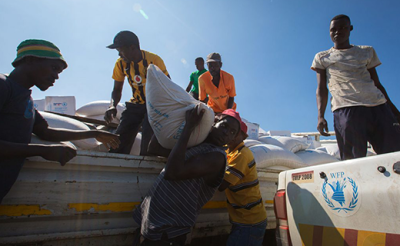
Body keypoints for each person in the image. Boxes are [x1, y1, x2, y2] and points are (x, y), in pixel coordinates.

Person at [0, 39, 120, 204]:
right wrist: (42, 151)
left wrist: (94, 133)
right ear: (29, 60)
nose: (56, 76)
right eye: (54, 68)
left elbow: (46, 132)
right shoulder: (3, 85)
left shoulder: (26, 99)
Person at [133, 107, 242, 246]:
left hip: (169, 232)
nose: (226, 133)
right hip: (150, 221)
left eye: (232, 132)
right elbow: (154, 148)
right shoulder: (195, 142)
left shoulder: (217, 157)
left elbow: (173, 173)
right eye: (224, 126)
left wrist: (188, 127)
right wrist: (173, 119)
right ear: (214, 121)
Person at [311, 14, 400, 160]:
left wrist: (394, 111)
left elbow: (377, 84)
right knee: (353, 159)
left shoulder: (366, 51)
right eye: (333, 30)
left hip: (378, 107)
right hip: (347, 109)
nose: (337, 32)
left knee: (394, 154)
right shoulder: (322, 57)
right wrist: (320, 116)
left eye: (343, 28)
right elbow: (321, 88)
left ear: (350, 29)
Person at [104, 31, 170, 155]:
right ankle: (116, 162)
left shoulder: (154, 60)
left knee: (148, 138)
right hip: (136, 104)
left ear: (132, 48)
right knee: (120, 137)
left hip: (154, 105)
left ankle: (146, 166)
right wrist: (112, 105)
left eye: (120, 50)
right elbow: (117, 90)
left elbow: (168, 85)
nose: (119, 54)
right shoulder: (120, 63)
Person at [218, 116, 267, 246]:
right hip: (245, 219)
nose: (230, 135)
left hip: (249, 222)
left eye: (235, 132)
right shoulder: (231, 152)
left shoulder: (242, 155)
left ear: (243, 137)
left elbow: (222, 185)